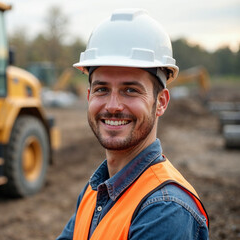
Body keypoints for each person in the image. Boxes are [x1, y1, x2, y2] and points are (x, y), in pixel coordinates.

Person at [57, 9, 209, 240]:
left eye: (130, 90)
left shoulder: (165, 211)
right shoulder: (95, 190)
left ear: (161, 102)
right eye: (102, 89)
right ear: (89, 97)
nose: (113, 105)